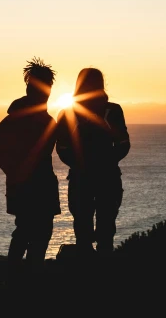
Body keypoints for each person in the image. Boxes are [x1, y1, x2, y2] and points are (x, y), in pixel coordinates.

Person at [0, 57, 60, 284]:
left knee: (33, 232)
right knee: (27, 232)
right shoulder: (15, 120)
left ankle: (28, 276)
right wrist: (18, 172)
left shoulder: (47, 120)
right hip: (28, 186)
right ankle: (22, 278)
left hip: (40, 185)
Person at [56, 67, 130, 259]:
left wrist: (84, 164)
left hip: (92, 177)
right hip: (99, 177)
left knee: (96, 228)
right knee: (92, 229)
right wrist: (104, 162)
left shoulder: (111, 110)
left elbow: (63, 149)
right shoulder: (110, 110)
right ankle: (96, 271)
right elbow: (123, 144)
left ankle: (90, 271)